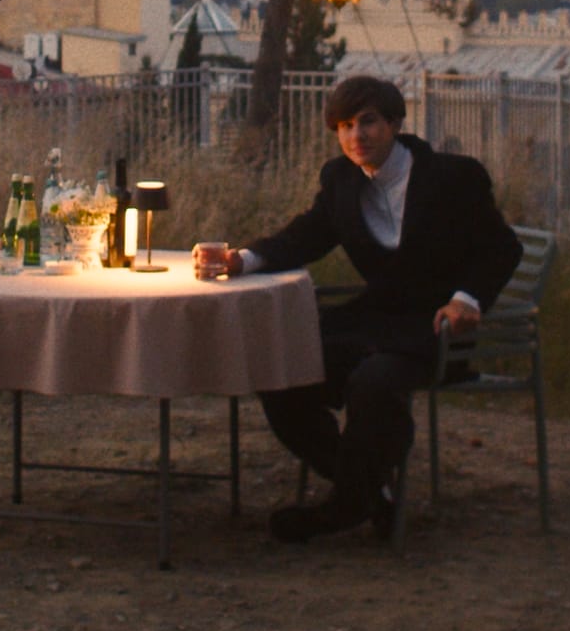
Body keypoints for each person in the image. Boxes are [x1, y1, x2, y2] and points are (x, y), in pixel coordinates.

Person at [194, 75, 522, 543]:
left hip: (436, 328)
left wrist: (466, 300)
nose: (356, 137)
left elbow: (502, 249)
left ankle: (346, 504)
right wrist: (241, 260)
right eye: (345, 126)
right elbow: (307, 235)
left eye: (367, 122)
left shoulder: (453, 177)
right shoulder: (341, 179)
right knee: (281, 369)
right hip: (375, 321)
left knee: (374, 384)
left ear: (394, 122)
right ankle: (370, 493)